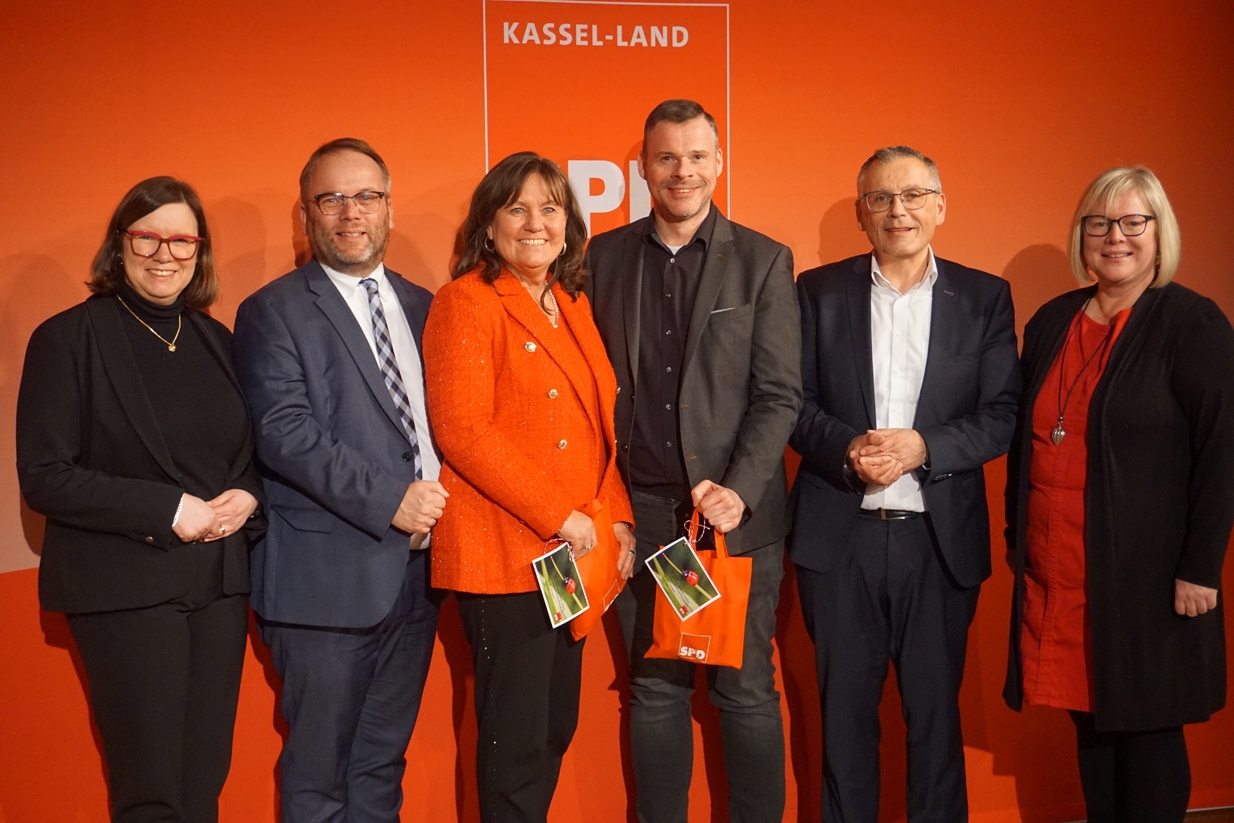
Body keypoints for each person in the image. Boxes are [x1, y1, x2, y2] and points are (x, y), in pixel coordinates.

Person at [15, 177, 264, 823]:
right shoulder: (68, 339)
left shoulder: (215, 339)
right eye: (147, 237)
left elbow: (243, 455)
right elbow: (45, 476)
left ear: (199, 251)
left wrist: (247, 495)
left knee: (203, 782)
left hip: (219, 586)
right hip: (125, 588)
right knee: (151, 792)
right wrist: (167, 508)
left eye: (181, 240)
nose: (164, 254)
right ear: (120, 243)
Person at [584, 99, 802, 823]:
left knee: (743, 688)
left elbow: (778, 395)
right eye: (667, 157)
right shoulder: (603, 258)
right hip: (643, 515)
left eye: (698, 156)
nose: (683, 171)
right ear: (643, 168)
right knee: (654, 690)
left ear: (719, 162)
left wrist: (739, 489)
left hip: (731, 518)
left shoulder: (764, 260)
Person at [790, 146, 1020, 822]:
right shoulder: (817, 291)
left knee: (936, 724)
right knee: (843, 723)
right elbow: (792, 402)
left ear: (940, 206)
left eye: (914, 195)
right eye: (882, 198)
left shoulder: (983, 298)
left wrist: (925, 446)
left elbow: (1002, 413)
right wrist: (847, 447)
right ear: (862, 213)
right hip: (841, 541)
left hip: (937, 542)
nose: (899, 210)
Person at [1003, 166, 1234, 822]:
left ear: (1161, 234)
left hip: (1151, 576)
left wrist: (1200, 566)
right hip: (1060, 568)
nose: (1116, 237)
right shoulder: (1053, 320)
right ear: (1081, 234)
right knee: (1092, 722)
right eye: (1100, 222)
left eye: (1134, 222)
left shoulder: (1192, 322)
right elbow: (1025, 440)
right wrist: (1019, 541)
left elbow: (1223, 452)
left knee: (1148, 729)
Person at [232, 138, 446, 822]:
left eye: (366, 196)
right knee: (319, 778)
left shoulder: (425, 305)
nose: (352, 212)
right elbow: (285, 431)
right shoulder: (272, 311)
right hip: (323, 585)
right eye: (332, 199)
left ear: (389, 207)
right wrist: (392, 500)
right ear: (306, 216)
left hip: (418, 578)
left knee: (381, 768)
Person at [422, 151, 634, 823]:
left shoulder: (571, 302)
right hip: (505, 555)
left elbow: (602, 424)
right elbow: (463, 432)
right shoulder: (466, 301)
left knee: (551, 730)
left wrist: (616, 516)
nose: (535, 223)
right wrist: (560, 515)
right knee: (513, 746)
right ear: (488, 227)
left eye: (550, 208)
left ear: (570, 225)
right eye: (517, 209)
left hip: (571, 554)